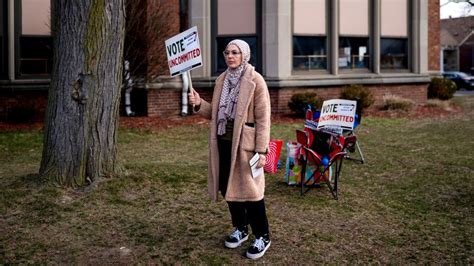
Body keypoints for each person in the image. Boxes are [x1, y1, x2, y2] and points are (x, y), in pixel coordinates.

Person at [188, 39, 271, 260]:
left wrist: (262, 150)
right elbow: (215, 114)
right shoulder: (222, 80)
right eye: (227, 52)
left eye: (235, 52)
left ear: (245, 55)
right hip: (222, 142)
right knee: (229, 189)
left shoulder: (256, 80)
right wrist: (199, 103)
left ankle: (262, 235)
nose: (230, 56)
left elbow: (264, 119)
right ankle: (241, 228)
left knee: (252, 193)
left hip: (246, 145)